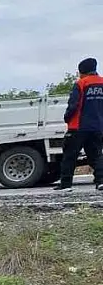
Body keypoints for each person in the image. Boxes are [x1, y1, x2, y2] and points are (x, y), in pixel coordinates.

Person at [57, 57, 103, 192]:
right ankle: (101, 181)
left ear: (82, 71)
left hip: (78, 127)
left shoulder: (81, 83)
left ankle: (66, 185)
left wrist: (67, 118)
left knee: (69, 156)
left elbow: (73, 105)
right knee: (96, 156)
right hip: (97, 127)